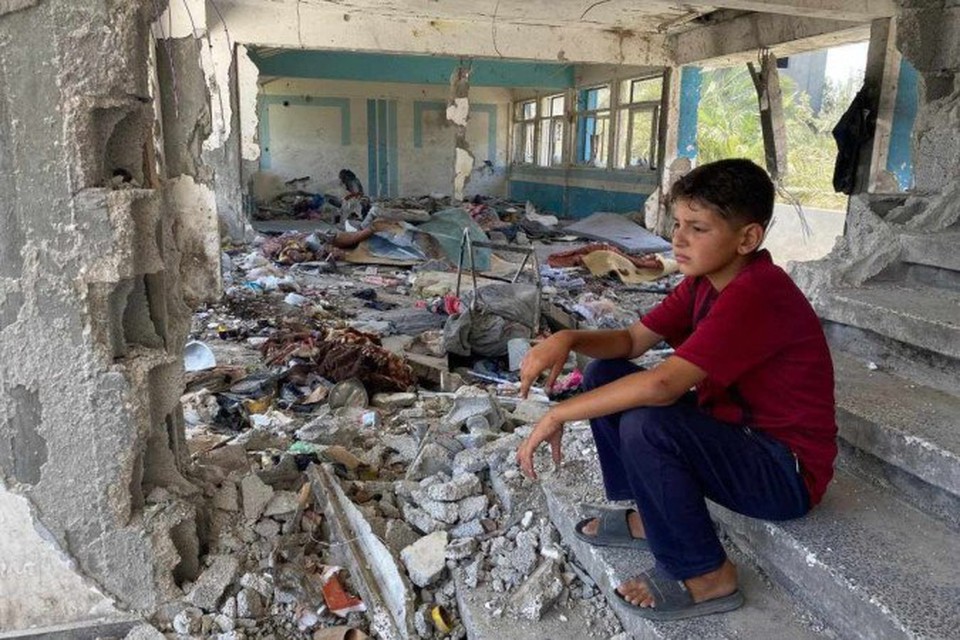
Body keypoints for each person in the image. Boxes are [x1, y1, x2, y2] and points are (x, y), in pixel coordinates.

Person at [515, 158, 836, 621]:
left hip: (784, 472)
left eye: (698, 228)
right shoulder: (704, 283)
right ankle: (650, 516)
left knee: (650, 422)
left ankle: (708, 575)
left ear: (748, 238)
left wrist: (558, 414)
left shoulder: (758, 292)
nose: (678, 239)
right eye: (678, 223)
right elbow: (629, 341)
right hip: (737, 433)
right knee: (606, 373)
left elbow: (664, 385)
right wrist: (568, 338)